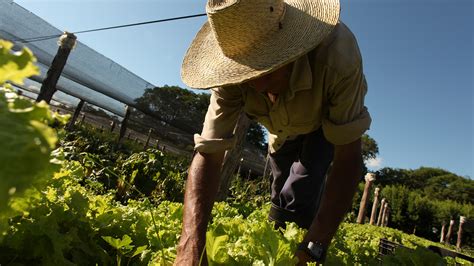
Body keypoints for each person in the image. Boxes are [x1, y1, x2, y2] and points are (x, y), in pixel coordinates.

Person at [175, 0, 371, 264]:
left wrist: (314, 248)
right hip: (279, 135)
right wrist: (189, 247)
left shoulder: (338, 57)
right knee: (279, 193)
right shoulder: (230, 75)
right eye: (246, 73)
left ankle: (303, 239)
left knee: (301, 188)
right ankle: (282, 239)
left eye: (267, 68)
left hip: (323, 128)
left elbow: (348, 158)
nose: (257, 84)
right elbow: (208, 153)